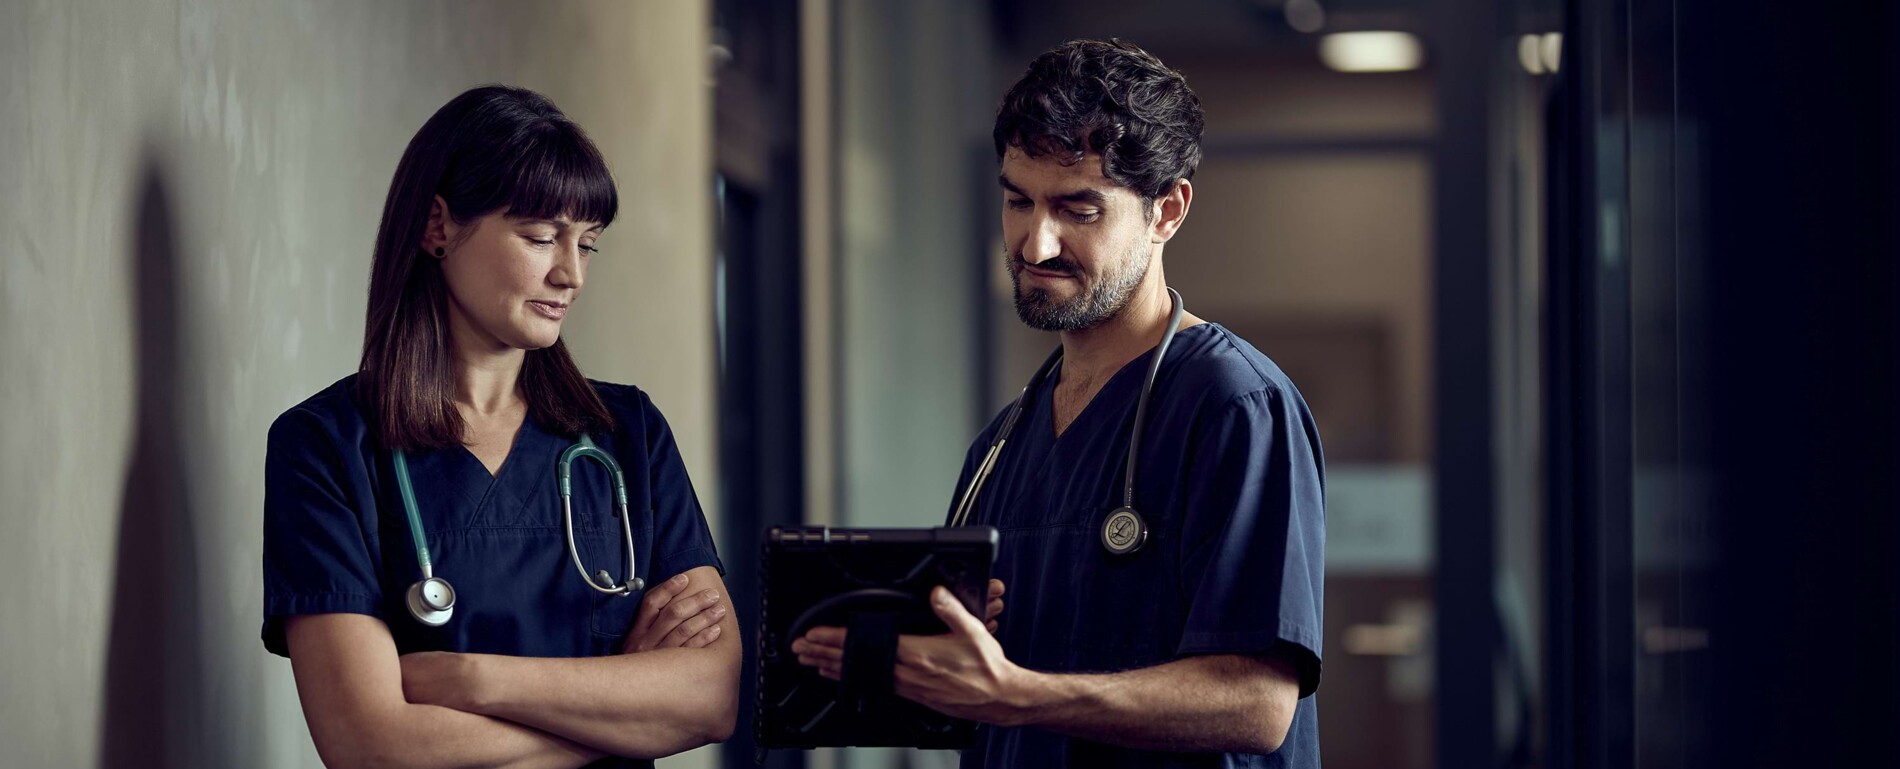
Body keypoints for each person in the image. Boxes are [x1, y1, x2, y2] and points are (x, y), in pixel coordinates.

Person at [793, 40, 1325, 768]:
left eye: (1078, 208)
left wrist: (1018, 693)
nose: (1035, 243)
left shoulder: (1234, 405)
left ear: (1166, 210)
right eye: (1018, 200)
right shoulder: (1001, 447)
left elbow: (1258, 702)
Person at [261, 85, 738, 768]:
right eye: (541, 236)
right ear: (438, 226)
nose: (570, 273)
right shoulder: (327, 448)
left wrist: (471, 681)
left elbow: (713, 696)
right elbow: (371, 746)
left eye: (588, 244)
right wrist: (618, 709)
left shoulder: (627, 433)